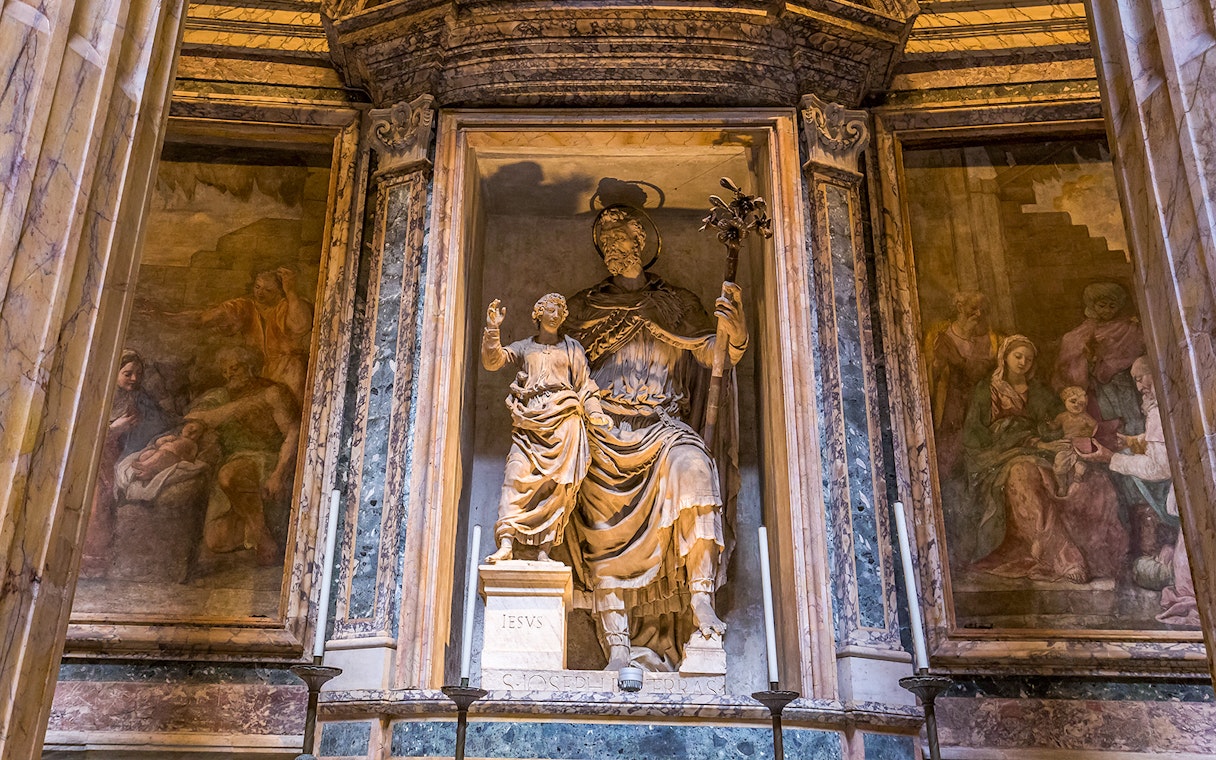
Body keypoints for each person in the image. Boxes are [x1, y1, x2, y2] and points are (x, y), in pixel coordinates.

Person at [563, 205, 747, 672]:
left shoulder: (676, 304)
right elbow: (558, 365)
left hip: (662, 425)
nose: (614, 253)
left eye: (622, 244)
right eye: (606, 246)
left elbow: (714, 353)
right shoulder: (583, 308)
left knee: (695, 469)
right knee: (593, 505)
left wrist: (735, 331)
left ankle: (701, 598)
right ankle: (618, 642)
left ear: (641, 245)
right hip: (602, 429)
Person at [964, 335, 1127, 583]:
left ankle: (1096, 553)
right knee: (1022, 474)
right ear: (1004, 357)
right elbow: (975, 435)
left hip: (1041, 451)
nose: (1023, 363)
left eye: (1028, 359)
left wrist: (1052, 437)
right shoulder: (986, 390)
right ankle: (1063, 557)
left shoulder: (1038, 391)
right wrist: (1020, 436)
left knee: (1086, 477)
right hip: (998, 456)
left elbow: (1055, 424)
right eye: (1018, 356)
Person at [481, 293, 610, 564]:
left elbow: (585, 385)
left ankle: (544, 550)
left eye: (560, 310)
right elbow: (493, 361)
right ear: (538, 314)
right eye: (551, 309)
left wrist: (595, 413)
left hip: (565, 421)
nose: (557, 314)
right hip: (529, 422)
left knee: (557, 488)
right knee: (515, 475)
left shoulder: (572, 348)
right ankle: (506, 542)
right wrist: (493, 330)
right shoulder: (526, 347)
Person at [1080, 356, 1199, 627]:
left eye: (1142, 377)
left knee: (1187, 579)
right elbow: (1165, 439)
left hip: (1190, 499)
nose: (1140, 386)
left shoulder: (1159, 412)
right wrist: (1132, 441)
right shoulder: (1177, 400)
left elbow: (1159, 467)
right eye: (1135, 379)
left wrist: (1112, 458)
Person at [186, 346, 300, 565]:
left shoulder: (274, 392)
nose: (229, 375)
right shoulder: (222, 396)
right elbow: (196, 417)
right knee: (216, 541)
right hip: (234, 462)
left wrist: (279, 473)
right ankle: (250, 519)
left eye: (234, 368)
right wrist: (245, 404)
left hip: (266, 460)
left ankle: (263, 537)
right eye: (225, 372)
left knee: (229, 475)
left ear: (250, 368)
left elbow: (293, 433)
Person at [80, 350, 174, 576]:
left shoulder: (142, 398)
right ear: (114, 373)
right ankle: (88, 563)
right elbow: (84, 434)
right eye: (128, 373)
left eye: (138, 374)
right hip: (99, 454)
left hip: (127, 453)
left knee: (105, 497)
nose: (134, 378)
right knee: (97, 496)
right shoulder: (100, 396)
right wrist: (114, 428)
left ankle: (100, 562)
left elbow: (159, 422)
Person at [157, 267, 314, 402]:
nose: (260, 293)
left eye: (268, 290)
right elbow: (203, 318)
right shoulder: (245, 306)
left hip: (288, 372)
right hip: (257, 372)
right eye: (257, 287)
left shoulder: (288, 306)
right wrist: (165, 316)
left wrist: (291, 292)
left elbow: (300, 326)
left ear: (280, 291)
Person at [1048, 386, 1098, 496]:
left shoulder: (1085, 417)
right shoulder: (1062, 417)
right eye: (1073, 401)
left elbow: (1095, 425)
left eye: (1080, 404)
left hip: (1081, 443)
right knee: (1059, 464)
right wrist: (1050, 425)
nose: (1076, 405)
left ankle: (1078, 476)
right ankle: (1062, 486)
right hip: (1067, 444)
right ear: (1065, 401)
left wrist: (1089, 435)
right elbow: (1055, 426)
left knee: (1082, 461)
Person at [129, 421, 207, 482]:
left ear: (198, 437)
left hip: (172, 457)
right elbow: (158, 443)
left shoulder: (193, 444)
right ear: (184, 427)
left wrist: (185, 456)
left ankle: (144, 465)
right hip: (159, 451)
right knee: (147, 454)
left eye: (197, 432)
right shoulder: (175, 437)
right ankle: (148, 472)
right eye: (191, 427)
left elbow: (192, 457)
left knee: (161, 454)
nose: (192, 430)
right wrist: (163, 440)